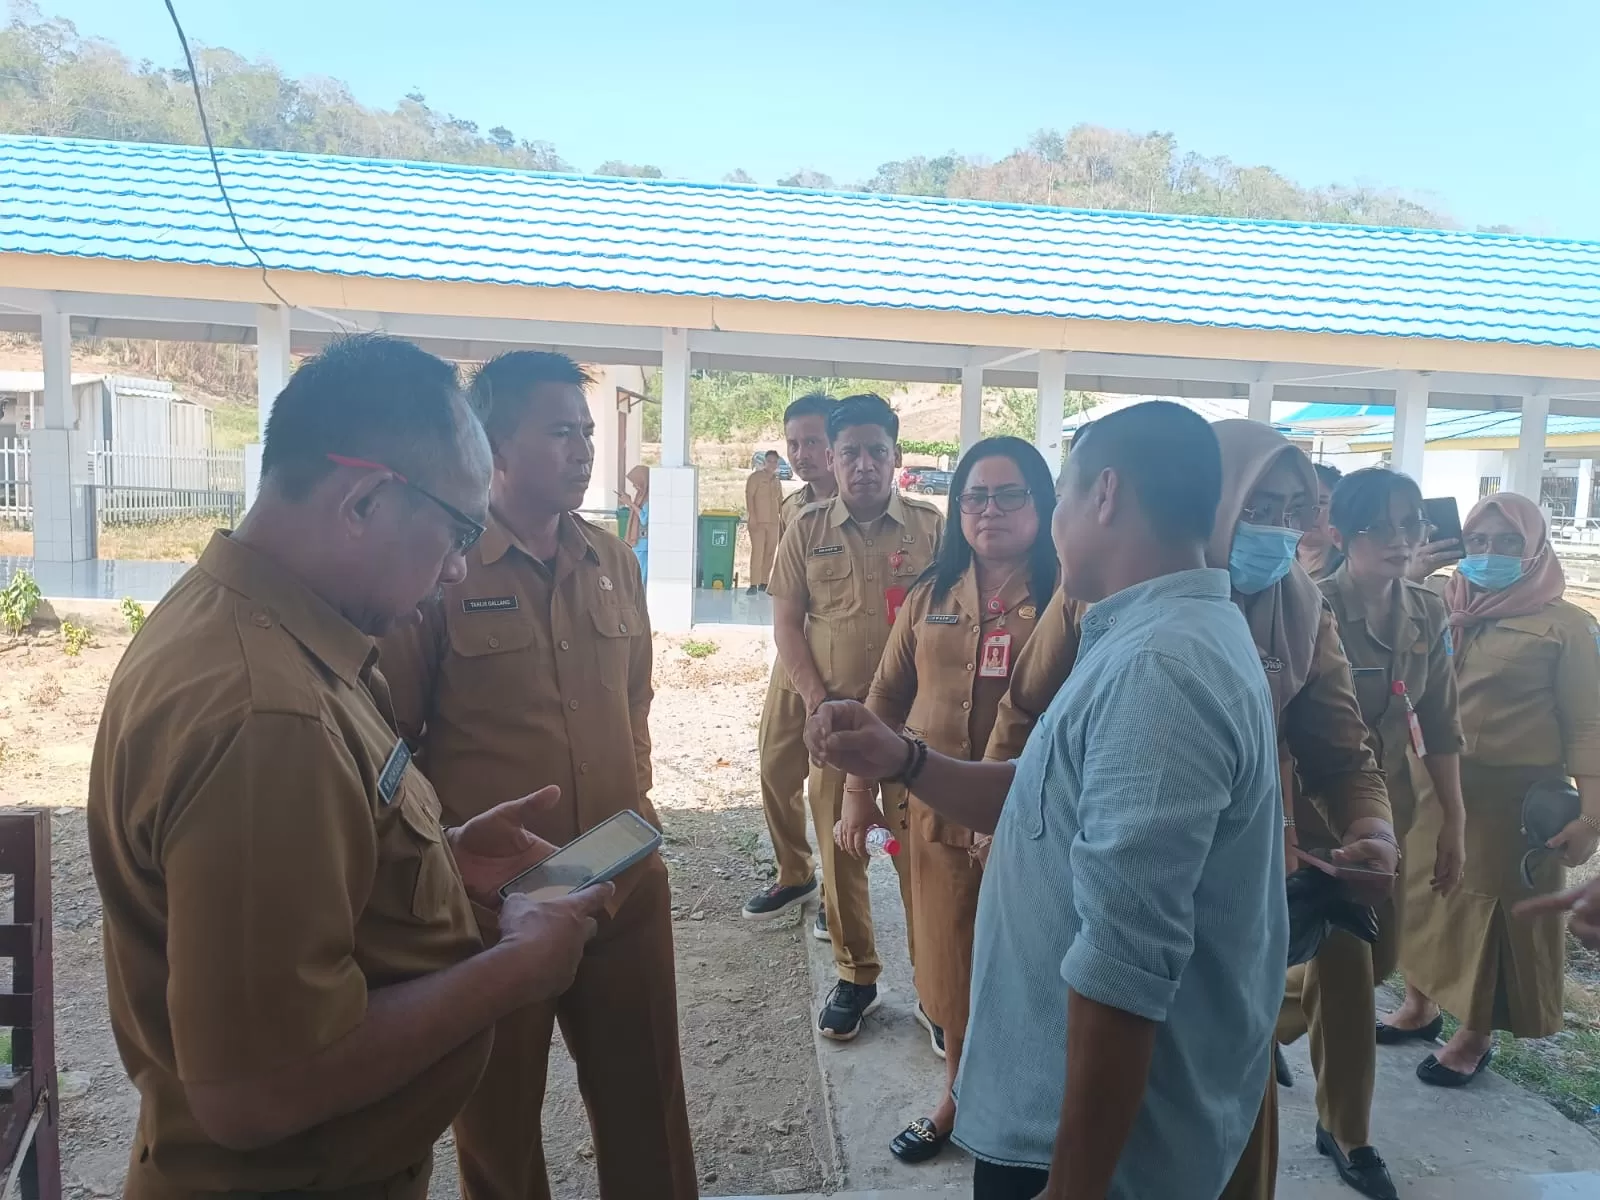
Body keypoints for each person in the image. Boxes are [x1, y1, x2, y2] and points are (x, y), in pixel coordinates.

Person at [86, 335, 614, 1199]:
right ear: (366, 500)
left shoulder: (251, 620)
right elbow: (257, 1091)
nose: (454, 570)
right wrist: (512, 970)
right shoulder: (269, 715)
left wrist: (440, 856)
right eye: (456, 532)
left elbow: (303, 865)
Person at [807, 401, 1288, 1200]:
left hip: (1088, 1148)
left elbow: (1124, 969)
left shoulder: (1158, 672)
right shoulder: (1147, 635)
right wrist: (903, 759)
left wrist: (1074, 1185)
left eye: (1053, 494)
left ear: (1103, 495)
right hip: (1054, 1109)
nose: (1048, 517)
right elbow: (1043, 790)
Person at [378, 351, 695, 1200]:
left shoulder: (612, 561)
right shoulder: (443, 573)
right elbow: (391, 734)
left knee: (647, 1105)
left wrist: (637, 801)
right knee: (497, 1124)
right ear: (495, 447)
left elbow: (636, 699)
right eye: (560, 431)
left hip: (623, 880)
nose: (584, 449)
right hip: (495, 906)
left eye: (587, 432)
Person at [836, 436, 1059, 1164]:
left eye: (1008, 494)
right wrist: (857, 793)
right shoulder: (934, 593)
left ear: (1043, 503)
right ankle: (957, 1099)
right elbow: (886, 696)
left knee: (1028, 970)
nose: (988, 510)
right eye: (974, 497)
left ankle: (1036, 1112)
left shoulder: (1067, 596)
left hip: (1034, 826)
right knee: (949, 966)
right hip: (933, 820)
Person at [1209, 420, 1396, 1200]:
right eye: (1259, 507)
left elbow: (1340, 750)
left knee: (1234, 1093)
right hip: (1124, 875)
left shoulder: (1300, 609)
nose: (1279, 531)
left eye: (1294, 512)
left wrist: (1370, 824)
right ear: (1211, 502)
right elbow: (1029, 712)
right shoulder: (1116, 591)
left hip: (1248, 881)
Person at [1281, 467, 1466, 1200]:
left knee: (1374, 960)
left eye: (1411, 525)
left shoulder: (1427, 613)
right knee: (1352, 975)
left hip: (1396, 819)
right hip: (1326, 828)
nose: (1399, 540)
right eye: (1380, 527)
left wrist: (1452, 816)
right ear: (1340, 533)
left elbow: (1442, 723)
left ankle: (1259, 1023)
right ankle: (1347, 1132)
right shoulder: (1309, 609)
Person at [1391, 492, 1600, 1087]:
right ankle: (1419, 1003)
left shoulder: (1566, 627)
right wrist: (1410, 579)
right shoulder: (1432, 602)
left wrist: (1592, 820)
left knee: (1492, 914)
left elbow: (1588, 725)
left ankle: (1474, 1035)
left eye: (1508, 543)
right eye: (1478, 542)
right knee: (1425, 896)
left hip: (1510, 801)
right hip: (1430, 783)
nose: (1490, 554)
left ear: (1536, 550)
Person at [768, 392, 944, 1039]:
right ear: (833, 461)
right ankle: (856, 976)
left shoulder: (932, 529)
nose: (864, 464)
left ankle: (937, 989)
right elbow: (787, 624)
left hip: (917, 729)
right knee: (843, 856)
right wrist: (815, 703)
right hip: (839, 727)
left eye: (877, 451)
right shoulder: (806, 529)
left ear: (896, 456)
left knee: (919, 860)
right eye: (850, 453)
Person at [744, 392, 839, 926]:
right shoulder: (791, 506)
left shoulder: (863, 509)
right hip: (793, 661)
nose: (802, 454)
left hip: (846, 666)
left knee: (834, 789)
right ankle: (794, 872)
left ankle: (837, 892)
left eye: (813, 441)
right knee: (776, 768)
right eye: (793, 443)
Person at [1297, 462, 1344, 580]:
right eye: (1302, 502)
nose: (1311, 511)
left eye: (1321, 503)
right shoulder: (1276, 561)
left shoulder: (1348, 566)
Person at [747, 449, 784, 594]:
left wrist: (784, 517)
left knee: (770, 552)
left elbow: (780, 500)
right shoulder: (755, 478)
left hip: (773, 522)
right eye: (770, 461)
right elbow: (749, 497)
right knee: (758, 552)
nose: (772, 464)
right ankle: (753, 584)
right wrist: (752, 516)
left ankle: (764, 582)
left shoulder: (776, 480)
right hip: (758, 522)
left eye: (775, 462)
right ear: (764, 462)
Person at [623, 464, 649, 581]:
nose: (634, 485)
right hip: (637, 542)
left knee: (641, 574)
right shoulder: (640, 495)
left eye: (636, 482)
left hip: (643, 542)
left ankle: (640, 597)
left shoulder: (648, 498)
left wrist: (630, 503)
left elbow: (644, 518)